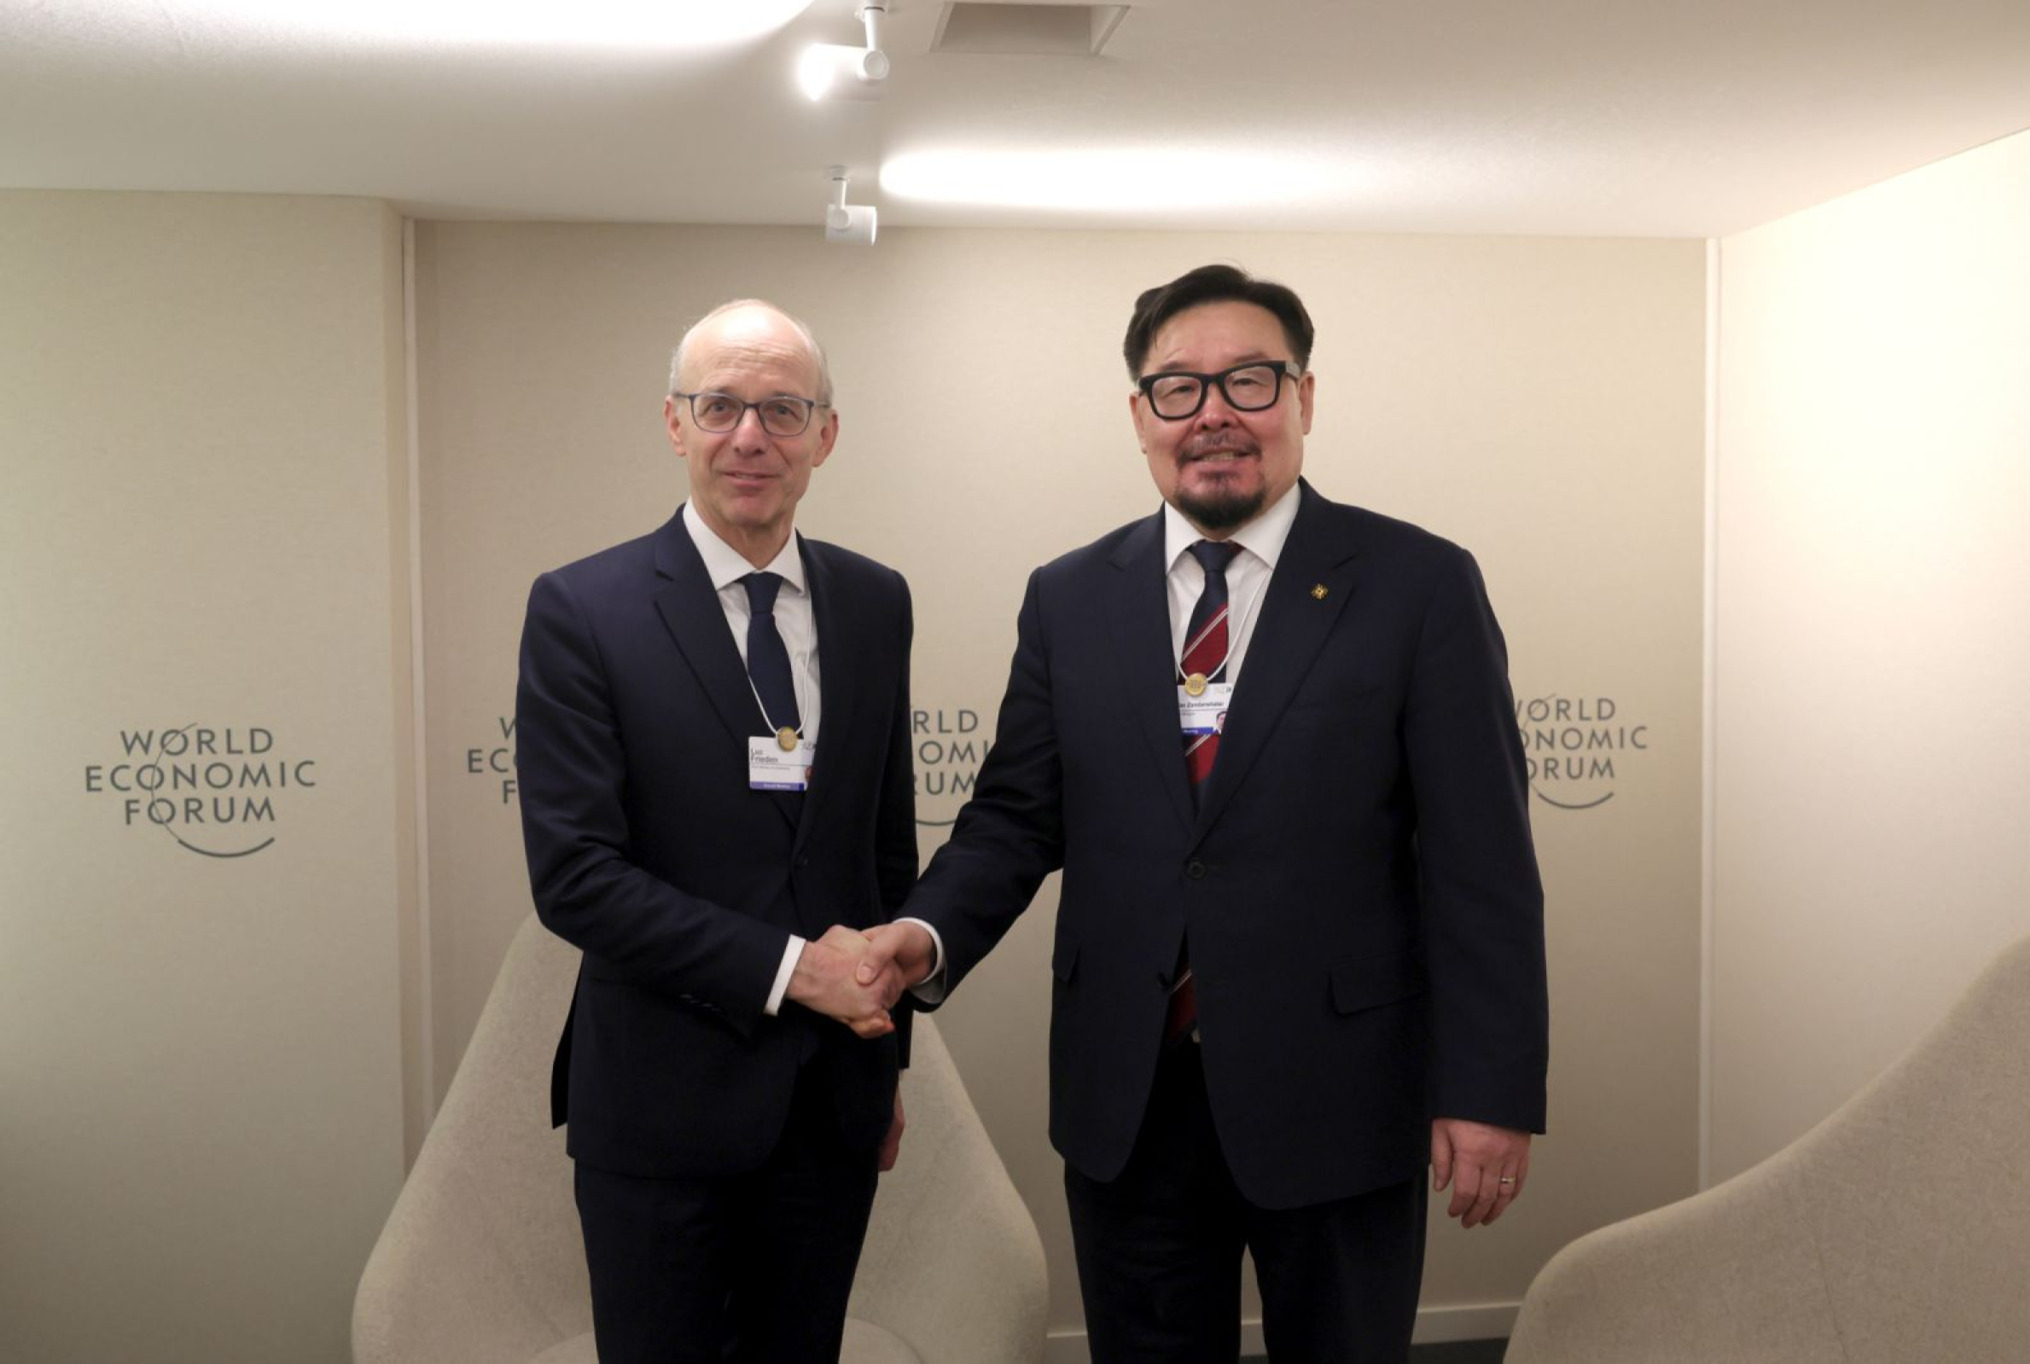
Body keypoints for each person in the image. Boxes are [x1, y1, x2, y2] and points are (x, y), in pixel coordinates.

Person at [862, 264, 1548, 1361]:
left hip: (1338, 1094)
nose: (1214, 412)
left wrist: (1488, 1088)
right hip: (1128, 1099)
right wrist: (923, 931)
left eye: (1249, 380)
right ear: (1140, 415)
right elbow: (1014, 817)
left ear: (1303, 398)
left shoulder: (1416, 584)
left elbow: (1481, 863)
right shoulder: (1068, 595)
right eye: (1178, 387)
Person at [515, 299, 915, 1363]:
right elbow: (575, 877)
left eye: (782, 409)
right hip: (659, 1110)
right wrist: (793, 969)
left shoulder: (876, 602)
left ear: (825, 434)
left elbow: (882, 853)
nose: (750, 436)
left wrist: (885, 1059)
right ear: (674, 422)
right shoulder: (582, 608)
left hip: (829, 1108)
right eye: (720, 406)